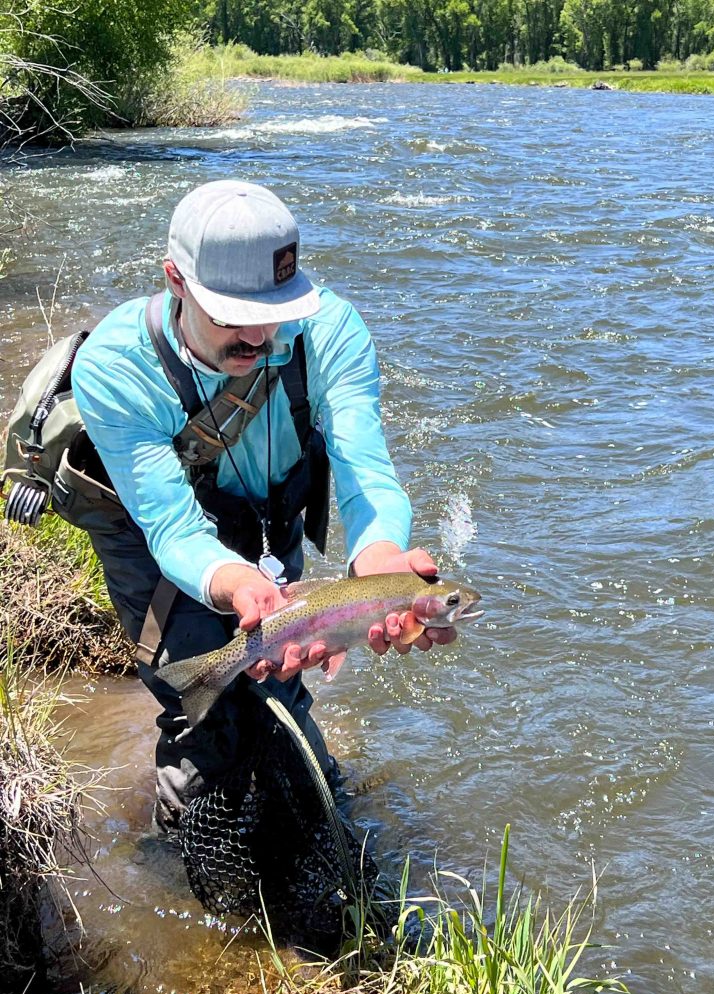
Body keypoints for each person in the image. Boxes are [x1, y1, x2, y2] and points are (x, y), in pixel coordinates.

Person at [71, 178, 456, 833]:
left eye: (273, 308)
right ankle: (195, 857)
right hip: (148, 523)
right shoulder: (115, 368)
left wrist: (381, 559)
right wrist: (239, 585)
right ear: (175, 280)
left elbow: (366, 472)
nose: (257, 335)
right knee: (203, 717)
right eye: (230, 314)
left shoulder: (332, 331)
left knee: (275, 685)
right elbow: (170, 524)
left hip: (264, 513)